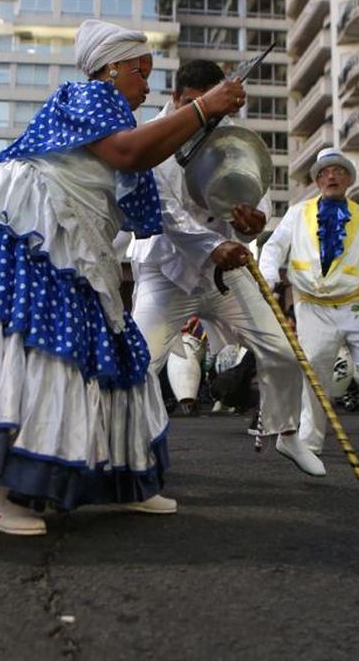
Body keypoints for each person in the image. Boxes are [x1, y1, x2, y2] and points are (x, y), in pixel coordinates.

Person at [0, 19, 246, 536]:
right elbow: (127, 154)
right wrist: (205, 107)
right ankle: (7, 493)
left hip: (79, 247)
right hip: (35, 234)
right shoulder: (88, 94)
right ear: (111, 68)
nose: (145, 85)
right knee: (37, 352)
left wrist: (232, 213)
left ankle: (125, 483)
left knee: (113, 358)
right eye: (140, 72)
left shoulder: (125, 120)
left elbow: (171, 204)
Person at [129, 59, 324, 475]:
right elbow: (162, 210)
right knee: (138, 363)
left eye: (210, 107)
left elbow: (256, 195)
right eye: (190, 104)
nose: (200, 115)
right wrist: (213, 246)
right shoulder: (154, 135)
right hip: (165, 272)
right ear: (177, 98)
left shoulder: (232, 136)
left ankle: (287, 433)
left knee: (284, 353)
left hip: (226, 272)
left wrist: (253, 223)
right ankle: (136, 449)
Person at [259, 147, 359, 453]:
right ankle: (311, 439)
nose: (331, 176)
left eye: (338, 171)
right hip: (311, 304)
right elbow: (274, 248)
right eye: (325, 172)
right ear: (317, 180)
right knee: (314, 367)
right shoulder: (298, 212)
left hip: (355, 303)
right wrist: (268, 276)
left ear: (349, 179)